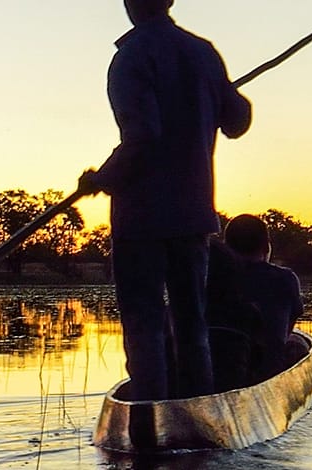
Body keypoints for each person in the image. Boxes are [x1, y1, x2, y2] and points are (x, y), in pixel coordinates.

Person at [75, 0, 253, 400]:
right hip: (193, 216)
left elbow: (143, 137)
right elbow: (238, 121)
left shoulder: (132, 58)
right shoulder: (203, 53)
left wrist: (102, 179)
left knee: (145, 324)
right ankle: (197, 416)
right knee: (193, 324)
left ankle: (152, 417)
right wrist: (222, 89)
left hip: (142, 219)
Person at [206, 214, 303, 388]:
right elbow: (286, 330)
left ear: (227, 248)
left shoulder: (212, 277)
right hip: (264, 369)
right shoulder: (285, 278)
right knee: (299, 343)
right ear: (266, 246)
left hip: (216, 365)